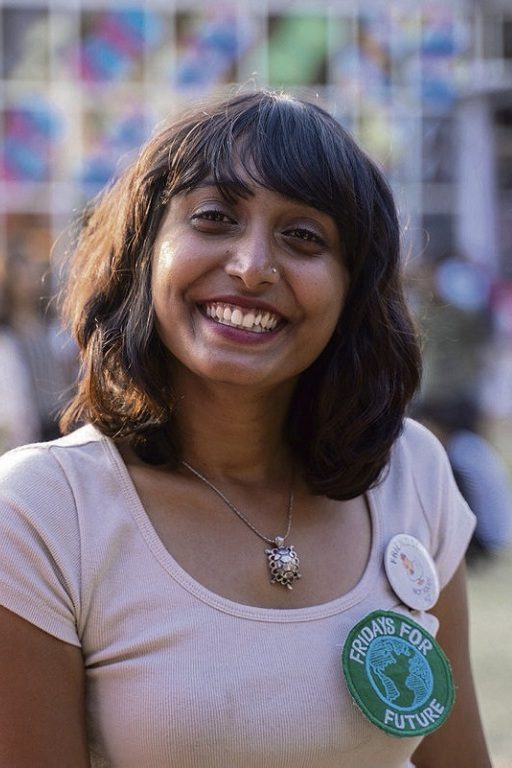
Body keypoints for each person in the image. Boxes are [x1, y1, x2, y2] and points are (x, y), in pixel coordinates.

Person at [0, 89, 491, 767]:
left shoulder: (412, 471)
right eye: (214, 218)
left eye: (303, 237)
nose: (253, 266)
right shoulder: (42, 512)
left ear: (354, 288)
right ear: (145, 251)